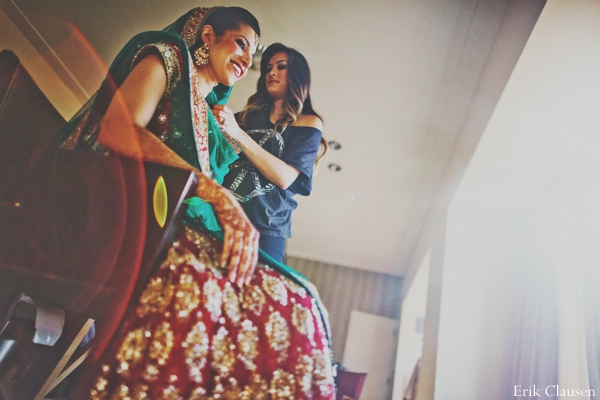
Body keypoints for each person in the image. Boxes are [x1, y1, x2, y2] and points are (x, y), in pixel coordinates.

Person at [52, 7, 334, 399]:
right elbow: (118, 128)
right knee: (281, 307)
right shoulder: (166, 58)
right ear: (206, 37)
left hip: (200, 224)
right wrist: (216, 194)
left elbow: (287, 178)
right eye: (241, 44)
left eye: (255, 55)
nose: (251, 62)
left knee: (300, 307)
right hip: (139, 221)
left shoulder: (214, 115)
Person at [212, 43, 326, 262]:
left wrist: (237, 133)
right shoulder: (247, 116)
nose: (271, 72)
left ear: (297, 75)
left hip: (265, 228)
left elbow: (285, 177)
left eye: (281, 67)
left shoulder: (308, 122)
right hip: (223, 214)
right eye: (268, 68)